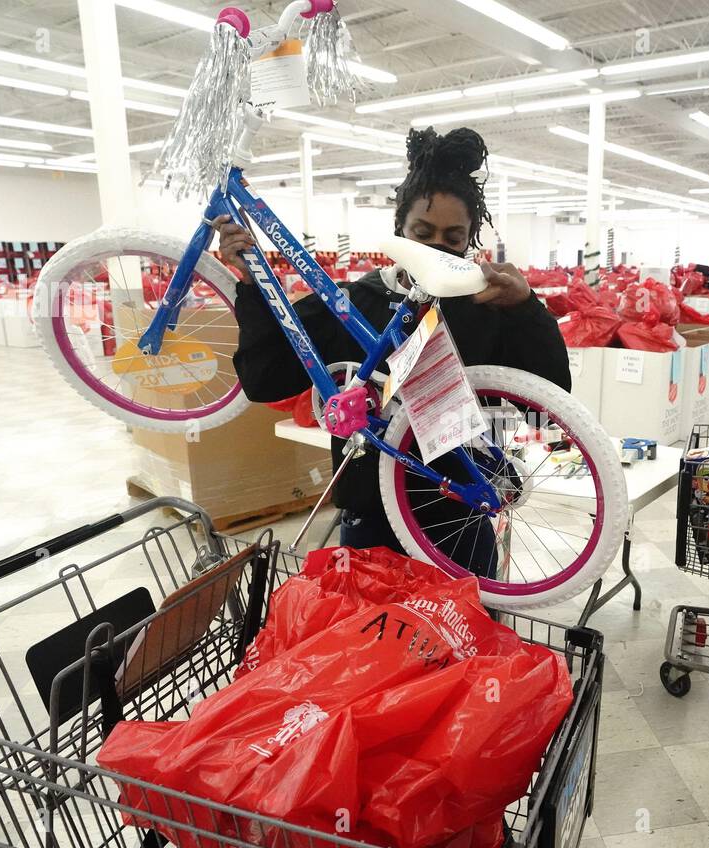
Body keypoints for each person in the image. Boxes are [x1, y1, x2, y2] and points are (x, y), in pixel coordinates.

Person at [217, 126, 570, 576]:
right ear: (398, 229)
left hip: (460, 520)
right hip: (371, 525)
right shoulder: (349, 305)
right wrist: (254, 287)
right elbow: (265, 379)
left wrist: (526, 310)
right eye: (421, 232)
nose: (435, 248)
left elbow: (553, 401)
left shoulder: (487, 307)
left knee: (464, 640)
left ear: (469, 241)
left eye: (453, 237)